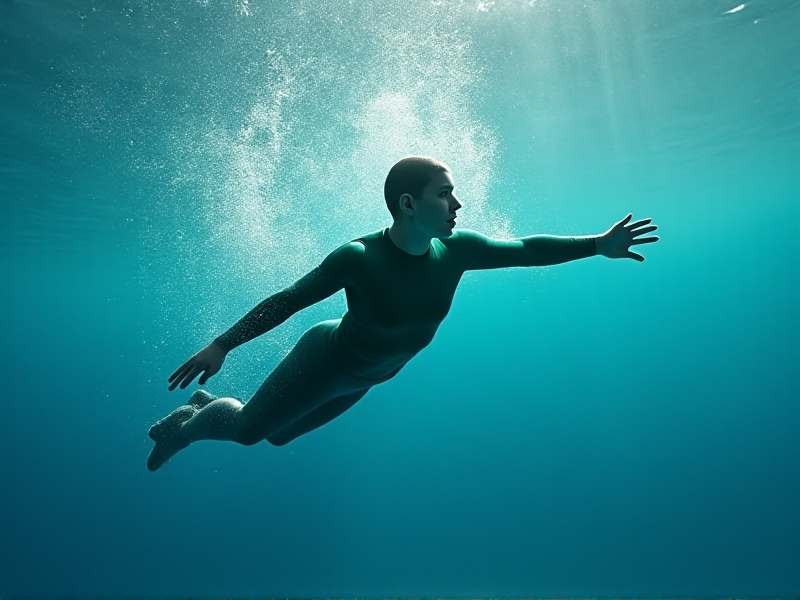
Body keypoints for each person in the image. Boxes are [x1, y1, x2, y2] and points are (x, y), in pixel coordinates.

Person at [147, 156, 659, 471]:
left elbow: (526, 248)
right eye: (446, 193)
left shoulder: (460, 250)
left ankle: (206, 405)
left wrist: (597, 245)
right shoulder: (359, 257)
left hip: (367, 378)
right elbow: (289, 299)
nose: (458, 203)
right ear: (409, 203)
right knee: (247, 432)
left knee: (278, 436)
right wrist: (222, 344)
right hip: (327, 360)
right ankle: (185, 427)